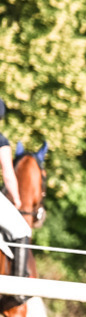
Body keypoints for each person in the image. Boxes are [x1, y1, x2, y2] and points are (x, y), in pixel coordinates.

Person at [0, 98, 33, 284]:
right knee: (22, 229)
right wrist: (17, 199)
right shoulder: (1, 141)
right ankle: (19, 288)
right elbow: (8, 174)